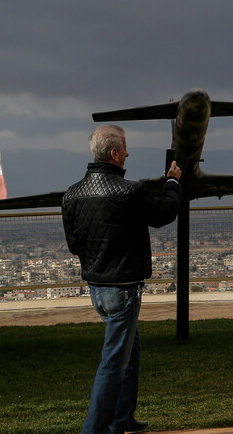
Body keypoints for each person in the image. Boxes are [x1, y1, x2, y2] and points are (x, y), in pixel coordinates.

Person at [62, 125, 183, 434]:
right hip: (123, 289)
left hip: (97, 288)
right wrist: (172, 181)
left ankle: (122, 418)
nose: (128, 153)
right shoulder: (130, 191)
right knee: (114, 361)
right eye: (125, 148)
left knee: (131, 349)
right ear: (114, 154)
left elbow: (75, 245)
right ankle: (95, 429)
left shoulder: (72, 194)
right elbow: (164, 213)